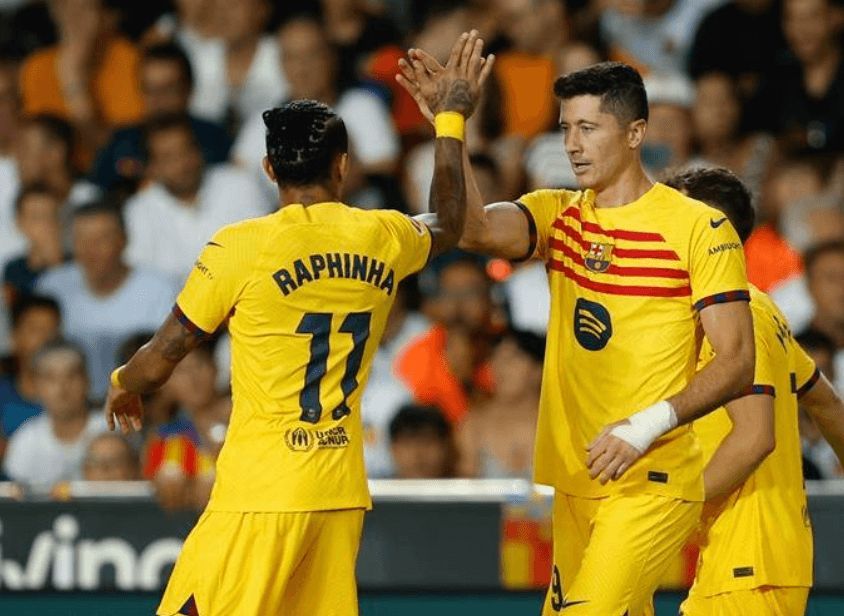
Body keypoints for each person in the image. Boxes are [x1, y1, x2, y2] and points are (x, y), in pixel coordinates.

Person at [105, 32, 488, 616]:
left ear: (267, 168)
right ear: (342, 165)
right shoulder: (384, 236)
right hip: (337, 495)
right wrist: (449, 121)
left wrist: (122, 383)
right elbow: (453, 222)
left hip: (259, 496)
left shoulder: (243, 246)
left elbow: (165, 353)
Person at [399, 54, 755, 615]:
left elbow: (737, 361)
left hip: (651, 478)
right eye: (566, 128)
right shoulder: (558, 215)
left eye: (588, 129)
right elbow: (467, 227)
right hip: (574, 482)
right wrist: (451, 123)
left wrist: (645, 427)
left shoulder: (698, 228)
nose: (572, 145)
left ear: (636, 132)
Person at [663, 167, 831, 615]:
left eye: (671, 217)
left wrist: (674, 512)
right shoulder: (760, 309)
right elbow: (825, 401)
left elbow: (756, 436)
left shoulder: (742, 318)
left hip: (748, 565)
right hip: (748, 562)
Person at [36, 202, 178, 399]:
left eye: (101, 239)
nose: (90, 250)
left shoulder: (161, 290)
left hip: (143, 402)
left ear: (124, 240)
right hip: (70, 406)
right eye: (81, 240)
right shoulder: (52, 288)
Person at [123, 113, 268, 280]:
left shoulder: (238, 183)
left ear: (199, 150)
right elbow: (145, 280)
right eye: (169, 158)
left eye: (186, 151)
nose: (182, 164)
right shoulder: (139, 210)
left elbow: (266, 250)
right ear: (152, 168)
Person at [91, 42, 232, 192]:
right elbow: (93, 193)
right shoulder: (121, 142)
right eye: (150, 89)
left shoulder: (214, 137)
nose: (158, 99)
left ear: (188, 89)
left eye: (168, 89)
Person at [4, 340, 107, 485]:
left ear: (87, 380)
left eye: (71, 376)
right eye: (50, 378)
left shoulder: (111, 429)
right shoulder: (25, 441)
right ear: (36, 386)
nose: (62, 388)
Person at [457, 329, 543, 479]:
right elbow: (466, 490)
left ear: (539, 369)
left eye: (512, 359)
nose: (501, 368)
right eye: (495, 358)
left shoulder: (558, 424)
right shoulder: (474, 425)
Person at [0, 295, 61, 440]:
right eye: (35, 330)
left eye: (52, 331)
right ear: (14, 337)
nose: (45, 339)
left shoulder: (76, 394)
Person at [2, 184, 65, 307]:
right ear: (20, 223)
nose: (46, 224)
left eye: (51, 215)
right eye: (36, 217)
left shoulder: (77, 264)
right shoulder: (13, 269)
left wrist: (57, 264)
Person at [389, 403, 456, 479]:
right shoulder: (376, 488)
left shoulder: (466, 487)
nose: (418, 454)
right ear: (393, 449)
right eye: (408, 444)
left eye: (427, 442)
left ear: (446, 446)